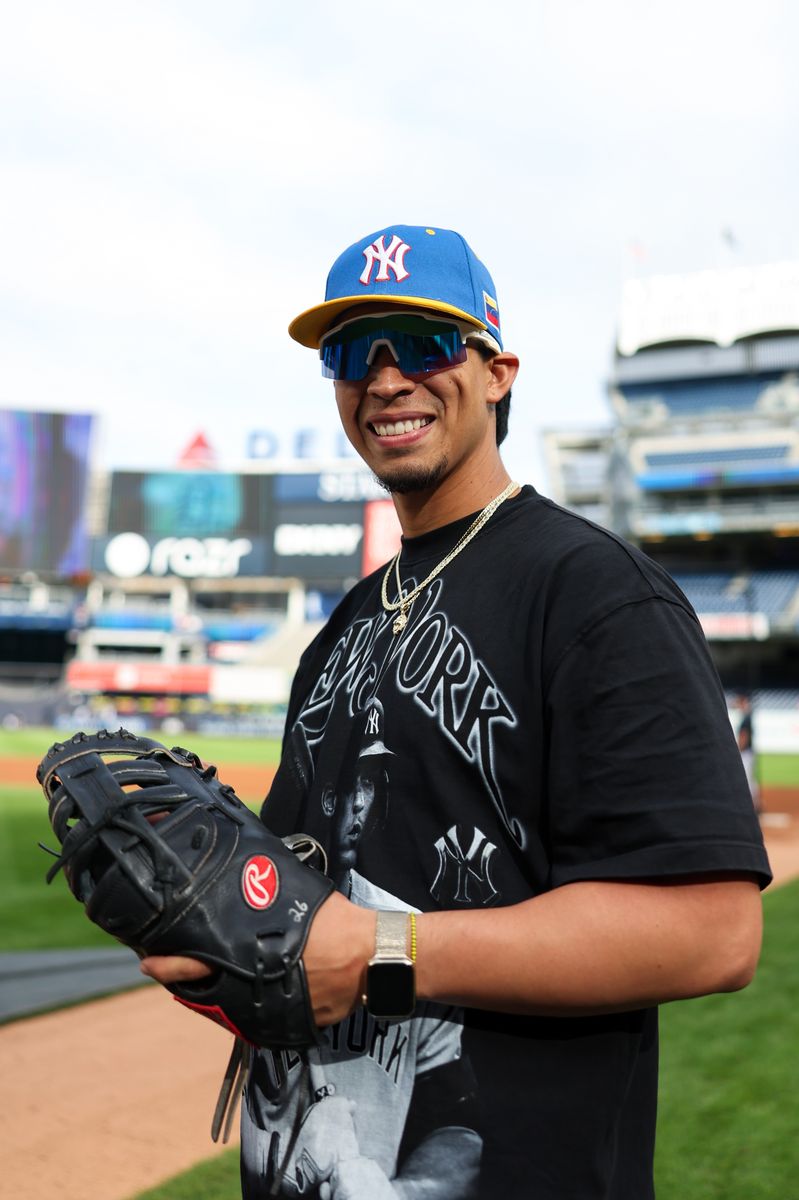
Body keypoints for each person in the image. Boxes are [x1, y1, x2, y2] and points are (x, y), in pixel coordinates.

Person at [143, 224, 771, 1199]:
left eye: (423, 343)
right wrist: (223, 946)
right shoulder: (343, 628)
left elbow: (714, 929)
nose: (386, 378)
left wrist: (382, 956)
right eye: (355, 351)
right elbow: (309, 925)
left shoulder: (593, 593)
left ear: (497, 371)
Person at [735, 693, 761, 814]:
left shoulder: (746, 718)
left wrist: (738, 751)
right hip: (749, 753)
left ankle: (753, 806)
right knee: (751, 779)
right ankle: (756, 804)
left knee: (747, 780)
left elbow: (743, 737)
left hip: (745, 753)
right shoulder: (748, 716)